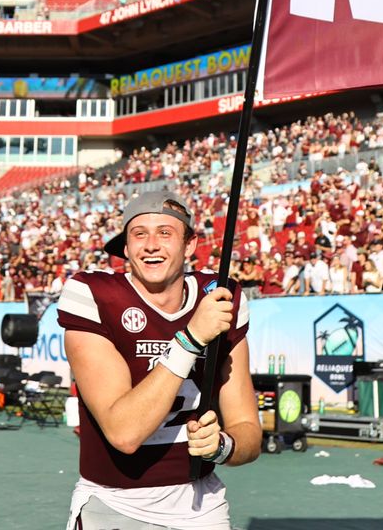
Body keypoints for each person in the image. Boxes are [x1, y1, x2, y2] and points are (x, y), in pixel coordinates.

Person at [59, 190, 260, 529]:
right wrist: (191, 339)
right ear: (125, 247)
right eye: (140, 234)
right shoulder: (93, 294)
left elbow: (249, 431)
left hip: (201, 506)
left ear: (189, 245)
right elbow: (124, 433)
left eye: (165, 233)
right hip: (116, 502)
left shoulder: (220, 297)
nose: (151, 244)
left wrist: (222, 446)